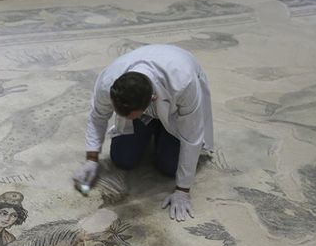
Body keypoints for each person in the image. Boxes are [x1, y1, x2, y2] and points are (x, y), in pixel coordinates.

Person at [73, 44, 213, 221]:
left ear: (152, 100)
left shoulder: (184, 83)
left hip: (175, 102)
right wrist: (91, 159)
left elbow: (192, 136)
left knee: (170, 167)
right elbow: (97, 117)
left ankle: (162, 128)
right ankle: (150, 127)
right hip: (142, 105)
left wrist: (182, 190)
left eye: (131, 115)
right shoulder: (109, 82)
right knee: (122, 159)